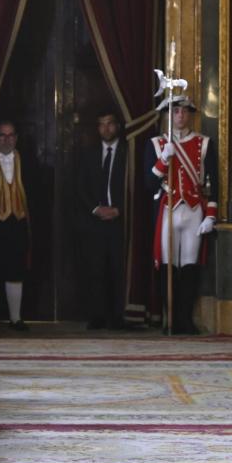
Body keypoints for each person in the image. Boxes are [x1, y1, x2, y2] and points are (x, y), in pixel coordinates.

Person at [147, 96, 217, 334]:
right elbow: (148, 183)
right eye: (175, 112)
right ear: (168, 115)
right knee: (168, 266)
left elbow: (213, 182)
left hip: (194, 210)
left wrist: (211, 215)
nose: (180, 116)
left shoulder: (204, 143)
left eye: (184, 112)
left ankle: (185, 319)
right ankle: (170, 319)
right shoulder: (157, 144)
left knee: (189, 267)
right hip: (168, 209)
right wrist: (164, 159)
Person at [75, 110, 133, 329]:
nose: (106, 128)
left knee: (118, 269)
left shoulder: (129, 152)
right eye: (102, 124)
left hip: (120, 220)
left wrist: (120, 209)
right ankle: (97, 315)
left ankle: (118, 316)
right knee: (96, 269)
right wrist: (96, 209)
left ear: (117, 125)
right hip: (95, 221)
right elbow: (80, 186)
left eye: (110, 123)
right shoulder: (89, 153)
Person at [0, 120, 33, 331]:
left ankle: (16, 318)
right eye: (2, 135)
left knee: (16, 270)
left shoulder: (28, 161)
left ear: (17, 138)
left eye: (11, 135)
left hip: (18, 223)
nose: (7, 139)